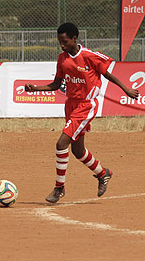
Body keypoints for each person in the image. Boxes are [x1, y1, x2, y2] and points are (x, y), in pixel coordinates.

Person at [25, 23, 139, 203]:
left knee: (61, 143)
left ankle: (59, 188)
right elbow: (56, 84)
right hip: (70, 105)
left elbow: (108, 74)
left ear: (74, 39)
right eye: (60, 42)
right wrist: (35, 89)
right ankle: (103, 173)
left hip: (86, 106)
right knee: (78, 150)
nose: (62, 46)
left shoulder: (89, 56)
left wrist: (126, 89)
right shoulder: (62, 59)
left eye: (65, 42)